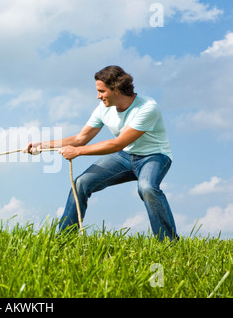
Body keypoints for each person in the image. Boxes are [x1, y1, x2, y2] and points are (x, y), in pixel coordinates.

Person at [25, 65, 178, 241]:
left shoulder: (148, 108)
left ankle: (168, 242)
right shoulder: (103, 108)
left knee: (147, 188)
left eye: (101, 91)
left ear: (117, 88)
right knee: (81, 182)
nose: (98, 96)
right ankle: (64, 239)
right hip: (125, 156)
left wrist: (78, 152)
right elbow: (80, 138)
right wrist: (43, 145)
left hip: (154, 156)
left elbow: (118, 143)